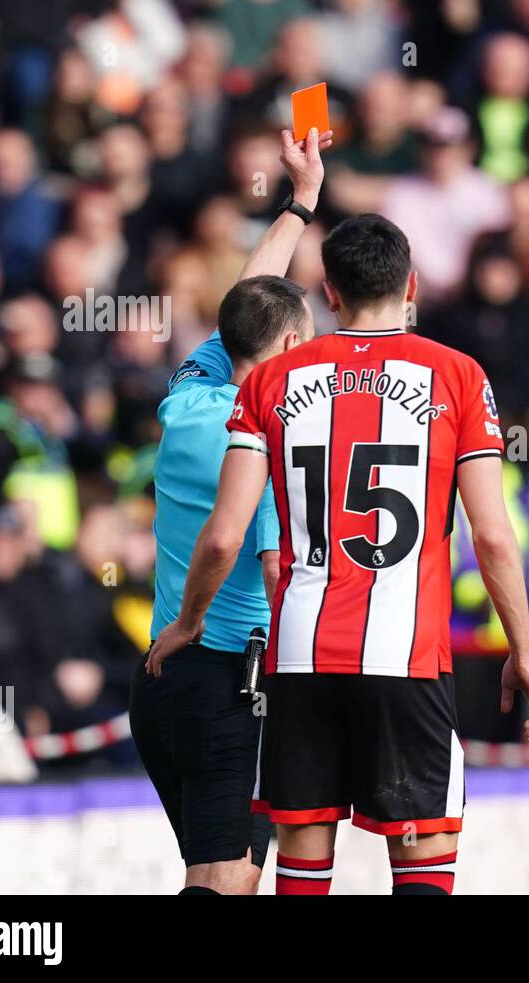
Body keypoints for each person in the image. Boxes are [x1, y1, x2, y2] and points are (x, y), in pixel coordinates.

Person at [147, 212, 529, 896]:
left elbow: (223, 533)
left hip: (297, 655)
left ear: (329, 292)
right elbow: (493, 537)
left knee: (302, 859)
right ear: (412, 285)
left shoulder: (271, 382)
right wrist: (524, 649)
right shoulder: (456, 375)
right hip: (408, 654)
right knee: (423, 861)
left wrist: (187, 621)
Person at [129, 125, 332, 896]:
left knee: (227, 875)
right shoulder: (265, 439)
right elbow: (249, 553)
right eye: (305, 338)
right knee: (221, 883)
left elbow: (247, 304)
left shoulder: (188, 398)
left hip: (162, 684)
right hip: (225, 678)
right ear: (285, 345)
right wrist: (193, 619)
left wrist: (300, 203)